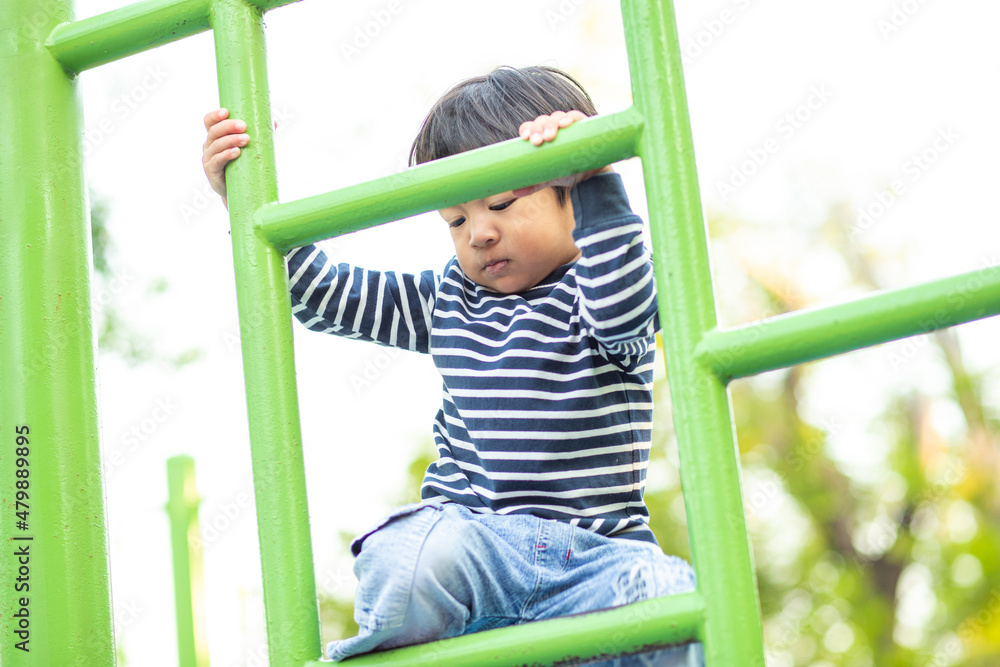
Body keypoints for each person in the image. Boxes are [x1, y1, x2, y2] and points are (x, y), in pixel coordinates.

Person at [202, 65, 703, 666]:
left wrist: (596, 171)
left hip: (593, 556)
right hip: (472, 544)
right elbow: (323, 296)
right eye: (456, 221)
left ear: (569, 191)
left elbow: (624, 313)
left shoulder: (600, 287)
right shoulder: (446, 300)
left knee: (674, 598)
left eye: (501, 202)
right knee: (404, 555)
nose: (481, 234)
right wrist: (250, 199)